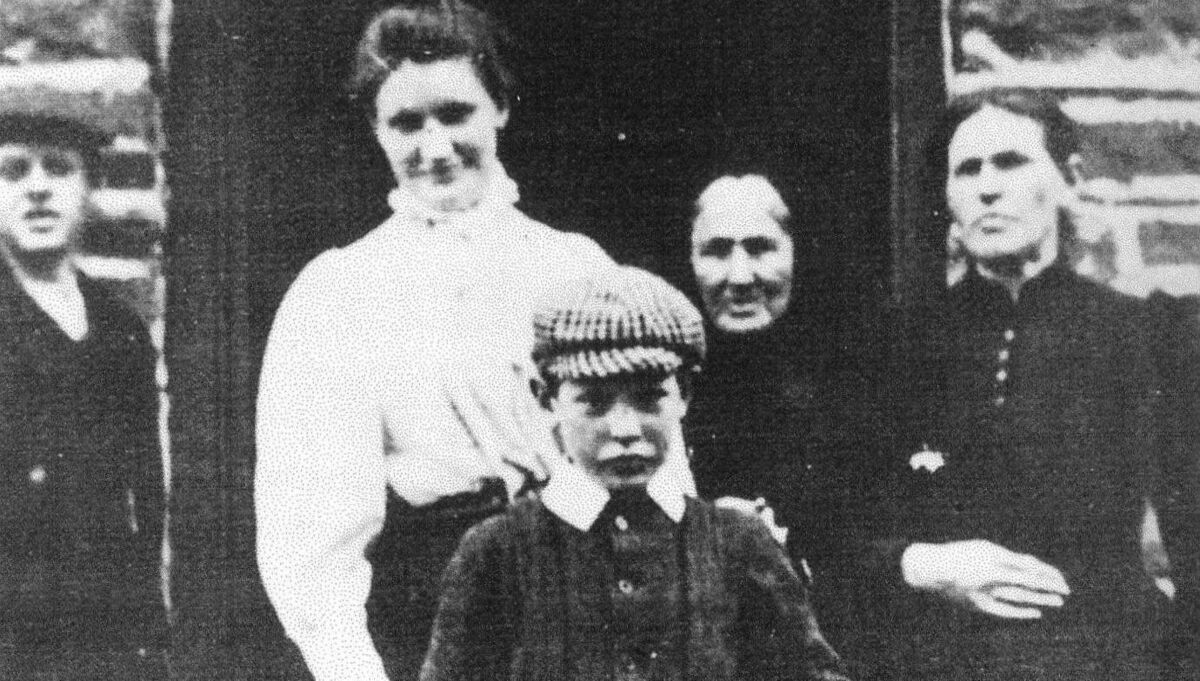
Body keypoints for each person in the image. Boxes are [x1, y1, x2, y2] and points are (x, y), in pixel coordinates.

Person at [253, 3, 611, 680]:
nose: (435, 146)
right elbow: (313, 538)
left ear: (500, 107)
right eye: (407, 122)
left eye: (455, 113)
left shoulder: (578, 269)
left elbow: (652, 462)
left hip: (581, 601)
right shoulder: (340, 292)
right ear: (375, 129)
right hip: (433, 618)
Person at [419, 265, 851, 681]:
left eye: (649, 399)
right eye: (594, 402)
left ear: (684, 395)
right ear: (546, 399)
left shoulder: (738, 544)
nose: (625, 429)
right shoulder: (495, 553)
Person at [878, 89, 1168, 680]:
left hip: (1108, 656)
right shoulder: (897, 345)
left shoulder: (1138, 334)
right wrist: (921, 562)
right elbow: (839, 524)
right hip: (943, 659)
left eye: (1010, 162)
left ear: (1068, 179)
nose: (987, 187)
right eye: (966, 170)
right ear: (947, 199)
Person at [684, 174, 884, 666]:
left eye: (760, 248)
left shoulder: (855, 375)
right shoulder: (664, 382)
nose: (739, 275)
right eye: (716, 251)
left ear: (796, 253)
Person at [0, 111, 167, 678]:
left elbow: (145, 495)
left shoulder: (119, 328)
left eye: (60, 169)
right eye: (14, 171)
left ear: (89, 189)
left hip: (106, 622)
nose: (38, 187)